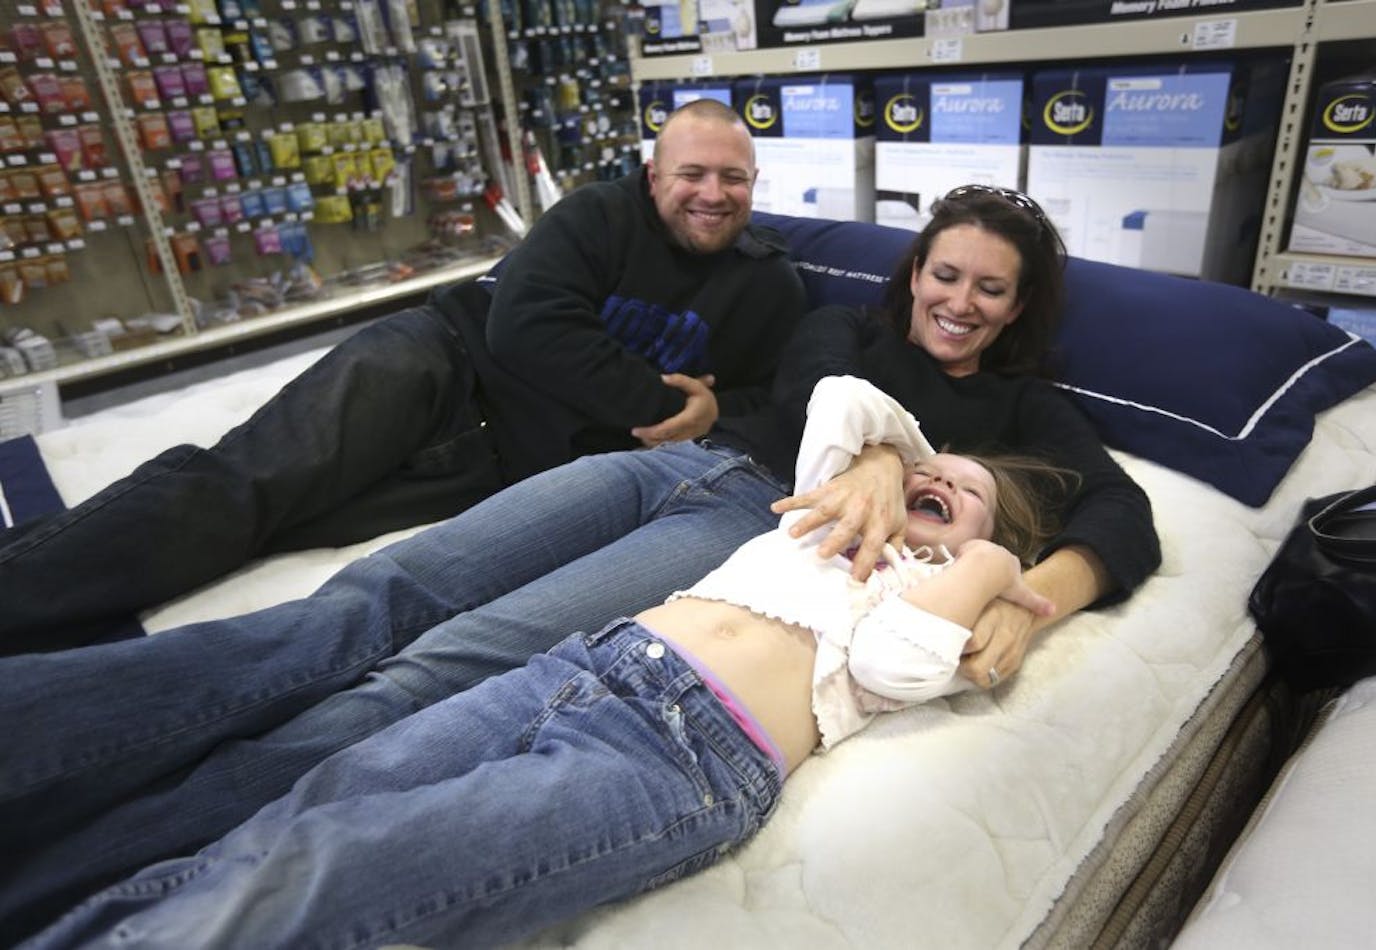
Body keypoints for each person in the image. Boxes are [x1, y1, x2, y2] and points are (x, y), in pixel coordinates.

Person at [0, 185, 1160, 943]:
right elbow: (817, 388)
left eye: (986, 288)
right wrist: (870, 457)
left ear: (1015, 310)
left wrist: (1033, 598)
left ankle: (54, 886)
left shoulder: (1021, 411)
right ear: (912, 274)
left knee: (410, 681)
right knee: (366, 600)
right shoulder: (844, 329)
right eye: (942, 274)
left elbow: (1121, 514)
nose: (956, 301)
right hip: (665, 468)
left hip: (740, 531)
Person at [25, 377, 1068, 949]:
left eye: (960, 490)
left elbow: (895, 658)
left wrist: (979, 562)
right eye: (934, 463)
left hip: (683, 758)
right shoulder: (815, 512)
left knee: (332, 866)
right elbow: (842, 395)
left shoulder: (922, 590)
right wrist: (890, 458)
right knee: (302, 815)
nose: (936, 479)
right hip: (582, 664)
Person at [0, 98, 805, 656]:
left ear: (754, 184)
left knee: (283, 529)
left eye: (733, 178)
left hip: (495, 465)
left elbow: (773, 400)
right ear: (653, 174)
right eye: (692, 173)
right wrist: (657, 405)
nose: (712, 193)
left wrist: (709, 414)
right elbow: (524, 328)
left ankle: (58, 620)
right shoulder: (597, 214)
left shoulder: (768, 285)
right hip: (436, 365)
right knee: (245, 488)